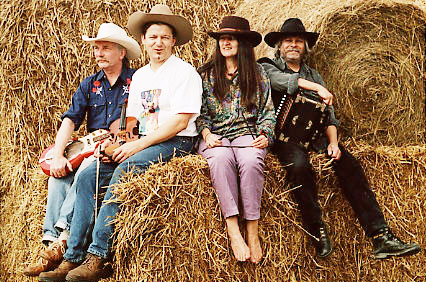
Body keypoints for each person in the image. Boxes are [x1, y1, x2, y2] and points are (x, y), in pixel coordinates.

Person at [38, 4, 202, 282]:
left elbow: (180, 122)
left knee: (126, 170)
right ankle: (72, 256)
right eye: (153, 37)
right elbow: (133, 121)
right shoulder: (140, 77)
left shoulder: (184, 73)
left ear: (174, 41)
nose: (158, 43)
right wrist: (119, 143)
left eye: (164, 37)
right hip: (145, 141)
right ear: (143, 41)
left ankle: (98, 256)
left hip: (176, 141)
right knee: (91, 173)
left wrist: (136, 147)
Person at [260, 18, 421, 259]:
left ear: (305, 46)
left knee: (350, 165)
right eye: (288, 41)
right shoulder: (267, 67)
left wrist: (334, 143)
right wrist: (316, 89)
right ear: (280, 46)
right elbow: (279, 82)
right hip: (285, 139)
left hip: (315, 137)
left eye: (298, 41)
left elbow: (329, 116)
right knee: (299, 166)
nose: (293, 45)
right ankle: (318, 231)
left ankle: (381, 236)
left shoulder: (314, 74)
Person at [23, 23, 140, 277]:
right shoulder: (89, 84)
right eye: (96, 48)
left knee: (87, 170)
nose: (99, 53)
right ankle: (50, 243)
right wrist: (57, 155)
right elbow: (70, 119)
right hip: (90, 146)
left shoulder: (137, 81)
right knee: (57, 179)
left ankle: (64, 237)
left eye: (105, 48)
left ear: (122, 53)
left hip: (113, 149)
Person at [196, 16, 275, 264]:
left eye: (232, 37)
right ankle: (233, 230)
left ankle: (252, 231)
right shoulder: (206, 74)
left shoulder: (258, 72)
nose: (226, 42)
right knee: (219, 160)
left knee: (252, 162)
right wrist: (207, 134)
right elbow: (199, 113)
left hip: (248, 134)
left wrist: (265, 135)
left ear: (243, 43)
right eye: (222, 38)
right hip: (216, 136)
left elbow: (268, 112)